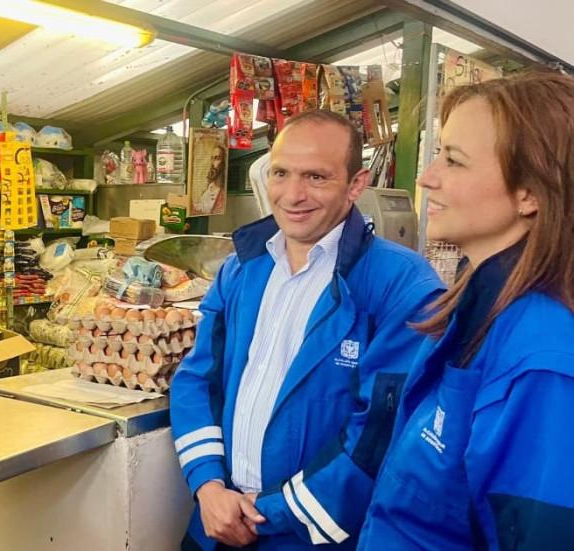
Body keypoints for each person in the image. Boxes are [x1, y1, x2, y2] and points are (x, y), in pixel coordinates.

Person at [171, 109, 445, 550]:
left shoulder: (401, 284)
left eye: (316, 177)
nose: (292, 195)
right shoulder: (241, 268)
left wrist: (268, 512)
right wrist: (207, 485)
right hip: (215, 523)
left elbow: (380, 433)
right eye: (281, 173)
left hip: (309, 535)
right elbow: (197, 380)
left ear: (355, 185)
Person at [359, 72, 574, 549]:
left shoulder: (542, 362)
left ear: (531, 193)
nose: (426, 176)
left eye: (453, 160)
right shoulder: (478, 306)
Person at [193, 144, 227, 216]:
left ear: (224, 162)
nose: (212, 163)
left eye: (217, 158)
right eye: (212, 158)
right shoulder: (210, 186)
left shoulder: (222, 192)